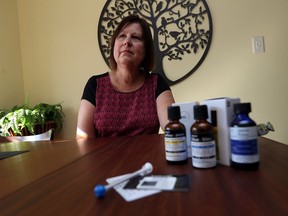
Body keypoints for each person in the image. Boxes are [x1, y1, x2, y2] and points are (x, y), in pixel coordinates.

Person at [76, 15, 175, 138]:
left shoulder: (156, 83)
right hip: (104, 157)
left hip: (146, 157)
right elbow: (83, 140)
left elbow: (173, 126)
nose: (127, 42)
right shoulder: (95, 84)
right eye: (122, 36)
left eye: (135, 37)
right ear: (114, 46)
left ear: (146, 50)